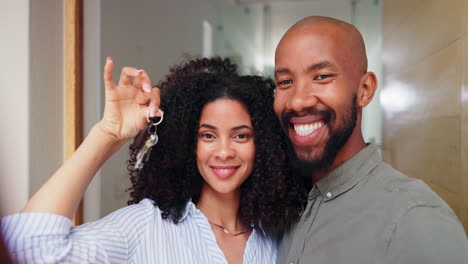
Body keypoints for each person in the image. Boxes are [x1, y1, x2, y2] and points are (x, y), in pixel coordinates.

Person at [1, 57, 305, 263]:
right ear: (188, 143)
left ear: (262, 145)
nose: (224, 151)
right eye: (207, 136)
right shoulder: (145, 225)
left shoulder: (279, 234)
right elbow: (28, 246)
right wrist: (108, 133)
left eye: (241, 136)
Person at [273, 16, 468, 264]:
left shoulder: (416, 222)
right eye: (285, 82)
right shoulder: (278, 200)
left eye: (321, 76)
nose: (298, 101)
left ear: (365, 90)